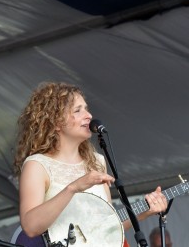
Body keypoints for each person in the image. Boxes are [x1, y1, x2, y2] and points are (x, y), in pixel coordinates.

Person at [13, 82, 168, 246]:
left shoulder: (97, 161)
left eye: (86, 109)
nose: (88, 115)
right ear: (56, 123)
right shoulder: (37, 165)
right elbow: (30, 227)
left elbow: (106, 227)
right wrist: (74, 187)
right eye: (78, 110)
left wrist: (145, 212)